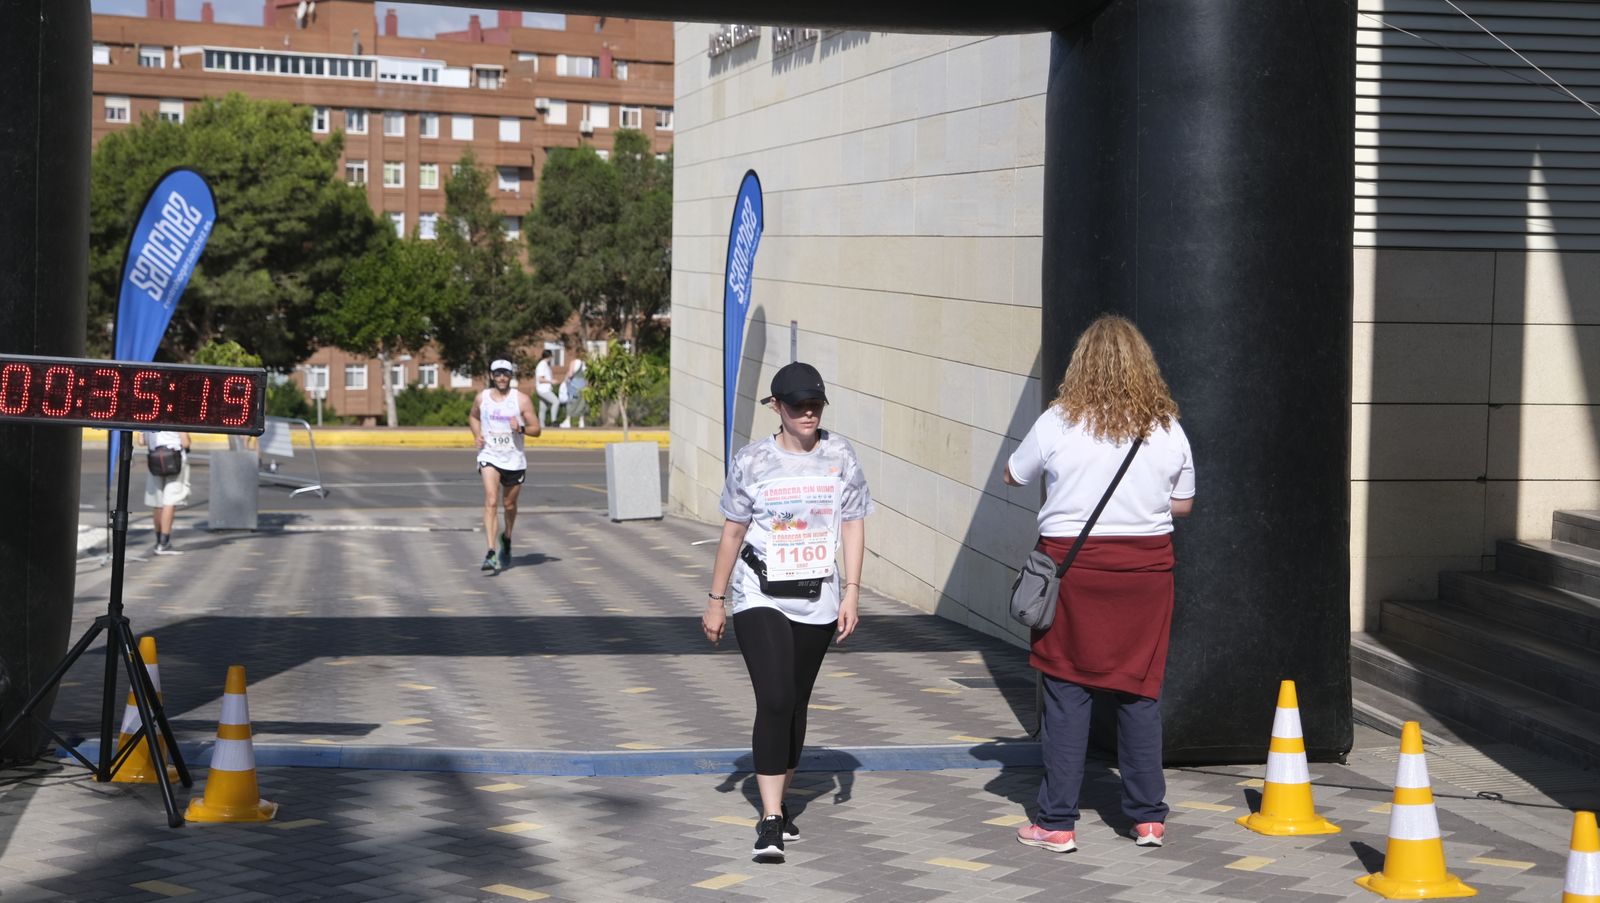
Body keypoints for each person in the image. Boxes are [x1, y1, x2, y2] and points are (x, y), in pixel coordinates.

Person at [1004, 314, 1195, 854]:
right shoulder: (1166, 428)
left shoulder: (1058, 422)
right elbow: (1182, 504)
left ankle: (1057, 822)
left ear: (1081, 364)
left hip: (1073, 571)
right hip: (1146, 575)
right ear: (1144, 366)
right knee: (1139, 691)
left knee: (1066, 692)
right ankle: (1147, 819)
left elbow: (1014, 474)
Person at [703, 362, 873, 863]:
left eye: (815, 404)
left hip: (818, 594)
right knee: (775, 697)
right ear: (776, 406)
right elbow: (732, 533)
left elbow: (855, 523)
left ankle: (782, 798)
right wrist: (716, 601)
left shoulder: (840, 455)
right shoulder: (752, 460)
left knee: (796, 702)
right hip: (759, 593)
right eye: (797, 404)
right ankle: (771, 817)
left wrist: (852, 591)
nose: (808, 412)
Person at [469, 359, 540, 572]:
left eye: (505, 373)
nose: (501, 377)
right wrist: (477, 435)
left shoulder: (522, 400)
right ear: (491, 375)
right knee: (491, 500)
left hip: (514, 459)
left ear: (511, 376)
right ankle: (490, 552)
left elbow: (537, 429)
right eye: (498, 373)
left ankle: (507, 537)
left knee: (509, 504)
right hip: (489, 455)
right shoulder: (482, 399)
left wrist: (520, 429)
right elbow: (473, 417)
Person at [136, 430, 191, 556]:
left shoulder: (147, 416)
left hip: (154, 459)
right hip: (174, 459)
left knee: (158, 503)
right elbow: (186, 442)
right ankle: (164, 542)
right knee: (170, 501)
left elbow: (141, 441)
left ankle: (158, 540)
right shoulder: (178, 415)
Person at [560, 344, 587, 428]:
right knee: (582, 403)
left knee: (571, 402)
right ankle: (581, 422)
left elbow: (570, 374)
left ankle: (568, 420)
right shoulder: (584, 364)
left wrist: (565, 380)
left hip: (574, 385)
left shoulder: (574, 362)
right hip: (583, 385)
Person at [533, 349, 561, 427]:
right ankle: (554, 421)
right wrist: (551, 381)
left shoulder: (545, 365)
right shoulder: (542, 365)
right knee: (556, 402)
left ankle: (541, 426)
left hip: (544, 389)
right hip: (543, 390)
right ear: (550, 356)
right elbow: (540, 379)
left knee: (543, 408)